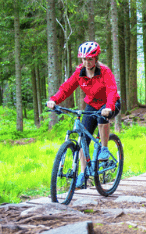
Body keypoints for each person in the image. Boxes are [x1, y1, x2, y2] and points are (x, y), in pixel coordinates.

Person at [47, 41, 121, 189]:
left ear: (96, 58)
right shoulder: (80, 72)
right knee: (83, 140)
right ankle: (83, 173)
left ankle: (104, 149)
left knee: (102, 118)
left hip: (109, 103)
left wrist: (109, 107)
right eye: (84, 59)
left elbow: (112, 90)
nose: (87, 62)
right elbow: (67, 87)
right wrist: (54, 100)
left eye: (90, 59)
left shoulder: (105, 71)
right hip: (92, 104)